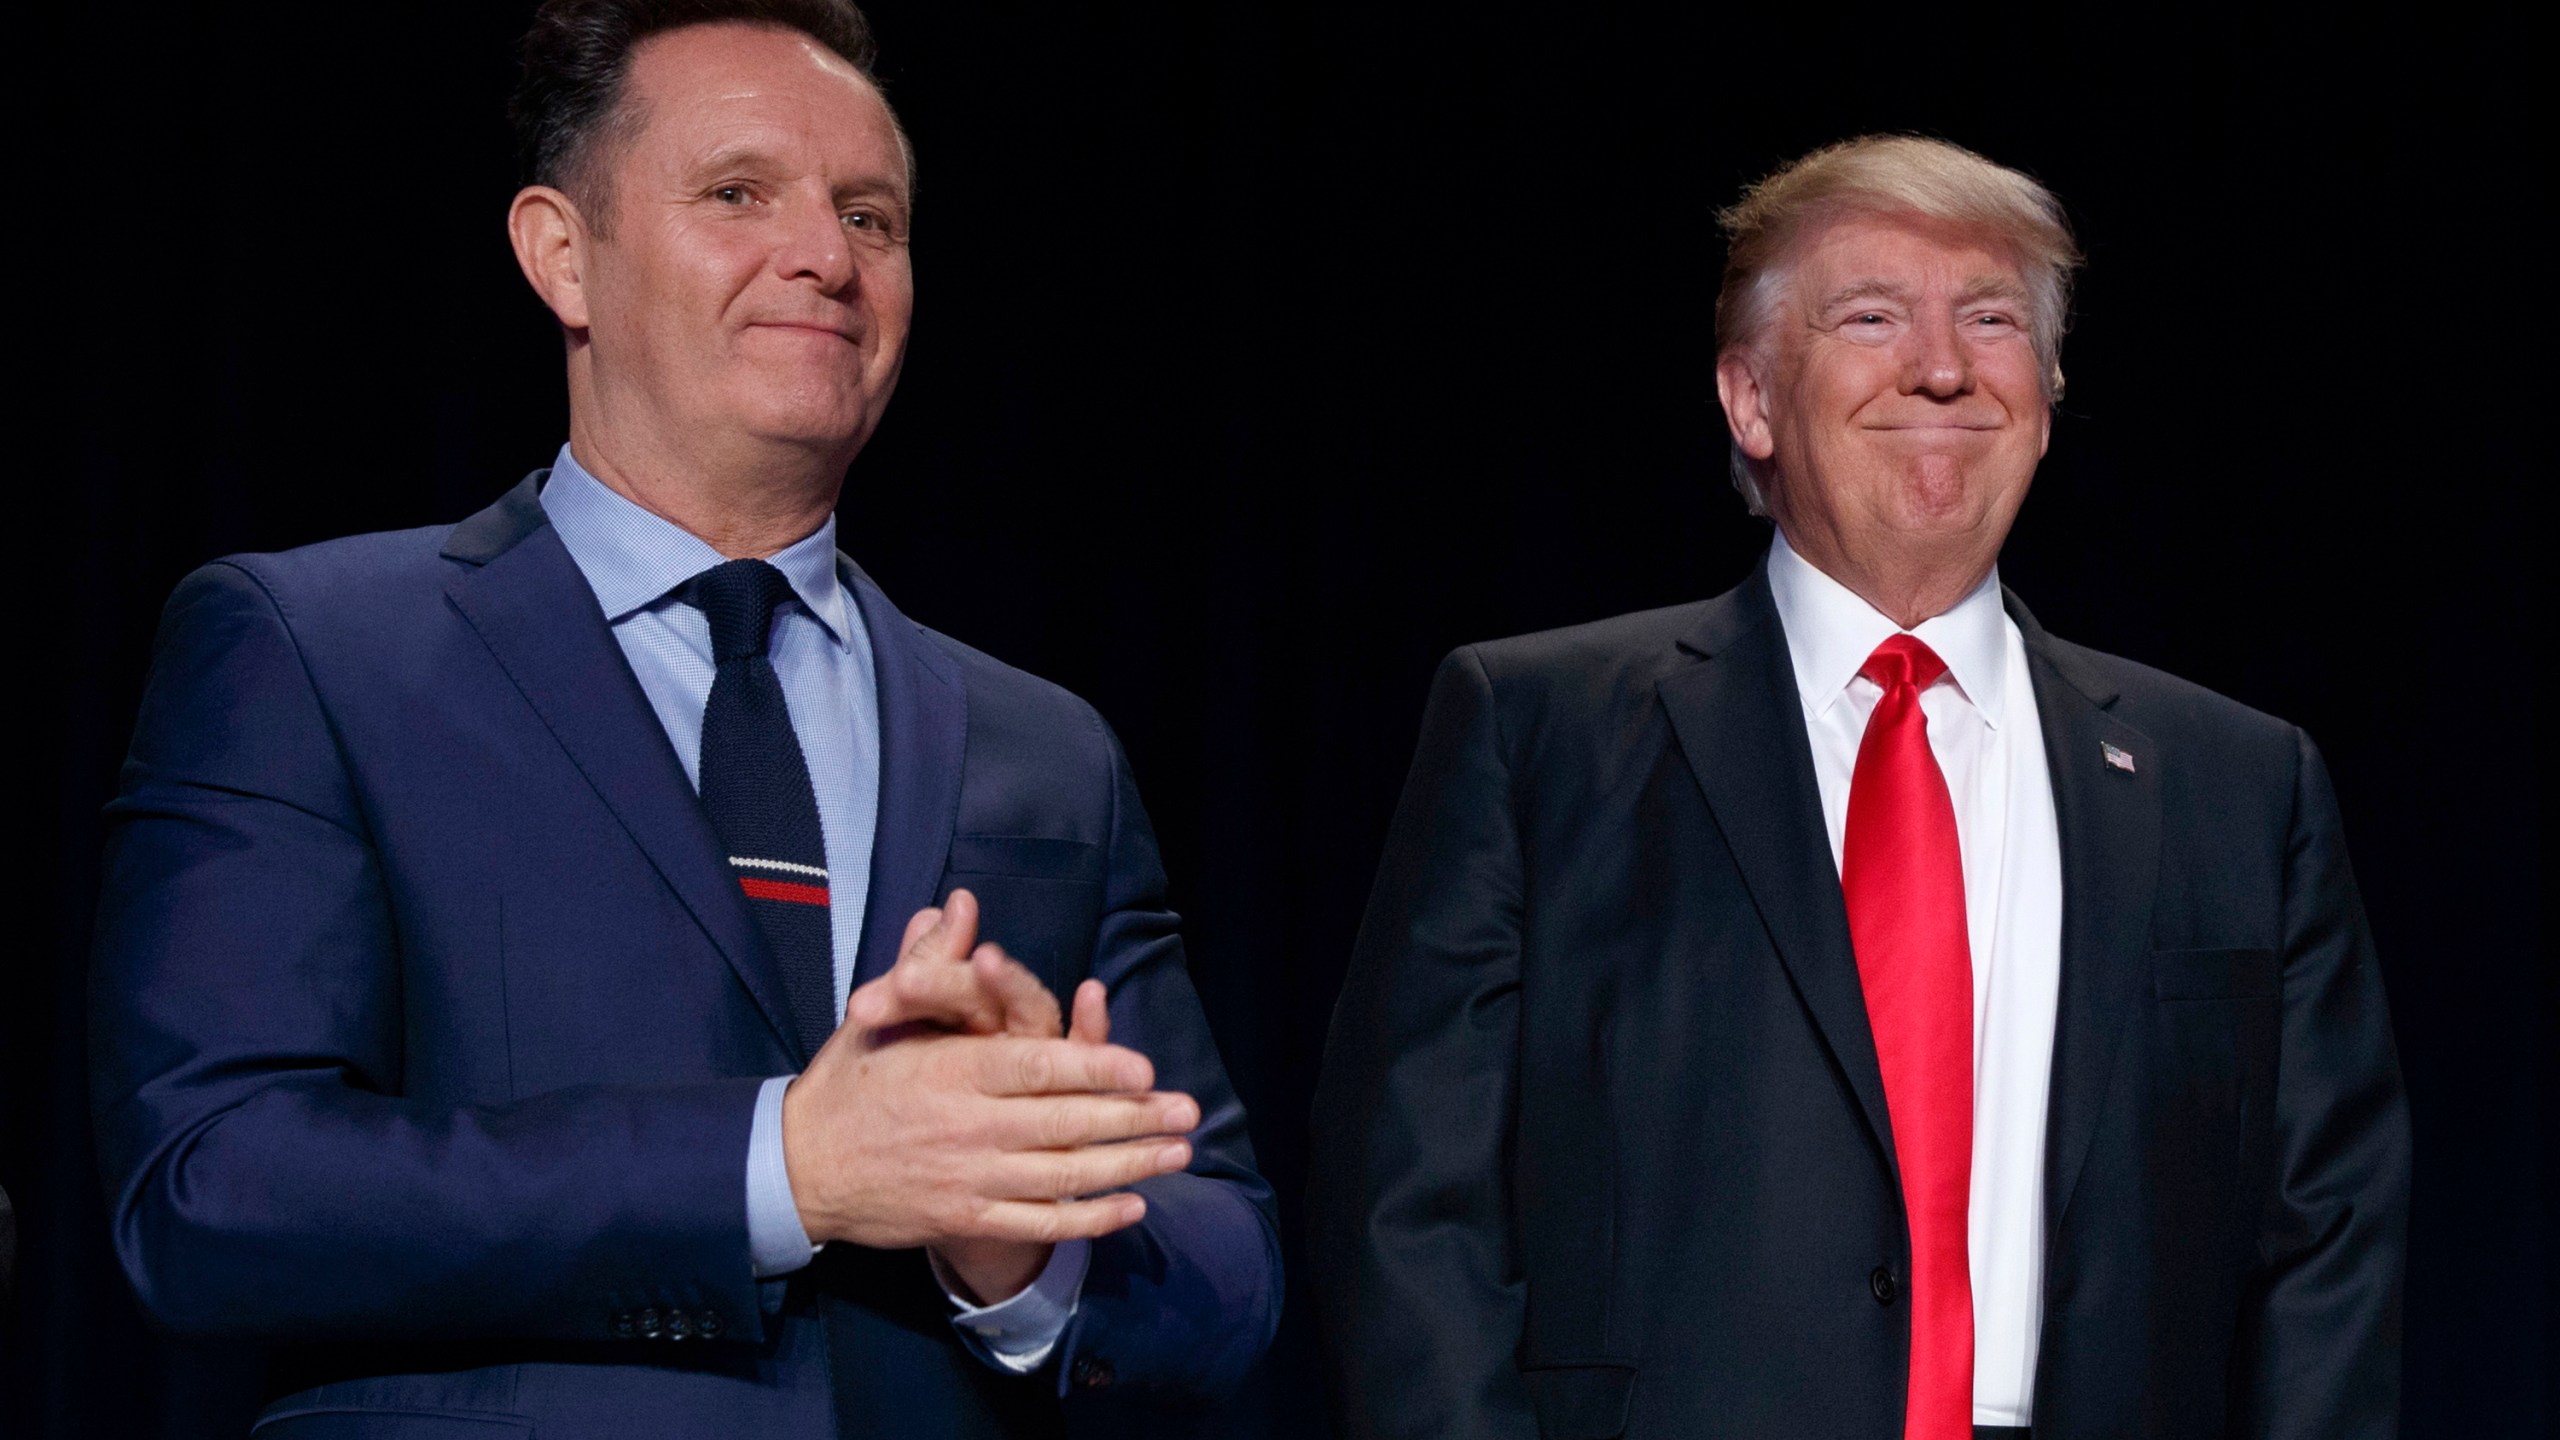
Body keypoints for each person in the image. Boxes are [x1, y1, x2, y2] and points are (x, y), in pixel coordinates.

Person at [89, 1, 1278, 1434]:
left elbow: (1225, 1265)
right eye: (738, 194)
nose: (827, 258)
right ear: (561, 253)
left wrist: (1014, 1238)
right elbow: (213, 1192)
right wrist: (784, 1167)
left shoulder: (1044, 749)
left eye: (871, 216)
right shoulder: (316, 651)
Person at [1308, 135, 2408, 1440]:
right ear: (1752, 400)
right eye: (1873, 317)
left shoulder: (2238, 783)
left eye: (1991, 320)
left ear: (2046, 399)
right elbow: (1409, 1210)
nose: (1942, 366)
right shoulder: (1537, 732)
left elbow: (2329, 1244)